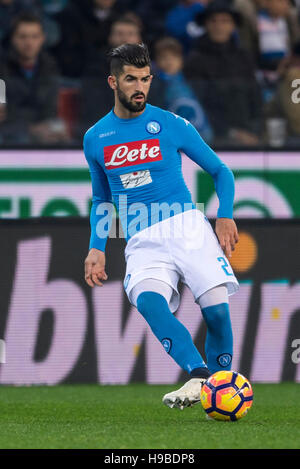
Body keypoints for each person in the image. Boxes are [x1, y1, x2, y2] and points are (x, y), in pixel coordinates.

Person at [83, 43, 239, 409]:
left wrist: (226, 213)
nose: (140, 86)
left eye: (145, 79)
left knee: (217, 313)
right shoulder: (95, 138)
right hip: (141, 237)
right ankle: (199, 377)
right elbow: (102, 199)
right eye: (131, 79)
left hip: (187, 226)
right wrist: (96, 246)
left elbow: (221, 171)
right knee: (150, 302)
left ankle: (218, 390)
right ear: (113, 82)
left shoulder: (169, 124)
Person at [185, 0, 262, 146]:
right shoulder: (194, 60)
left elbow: (255, 97)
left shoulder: (244, 57)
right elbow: (199, 104)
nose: (219, 26)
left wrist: (255, 130)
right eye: (214, 21)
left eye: (225, 21)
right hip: (211, 138)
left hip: (249, 134)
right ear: (206, 25)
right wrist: (230, 132)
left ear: (233, 25)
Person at [0, 12, 68, 144]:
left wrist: (44, 127)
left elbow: (50, 108)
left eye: (34, 36)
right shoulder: (1, 69)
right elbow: (5, 114)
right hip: (10, 131)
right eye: (23, 37)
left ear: (42, 39)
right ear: (13, 39)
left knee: (62, 136)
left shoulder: (50, 67)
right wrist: (31, 129)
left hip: (42, 126)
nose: (29, 42)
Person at [150, 36, 213, 143]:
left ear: (181, 60)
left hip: (200, 132)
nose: (169, 61)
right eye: (164, 57)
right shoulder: (153, 84)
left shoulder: (192, 81)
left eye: (174, 57)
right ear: (157, 61)